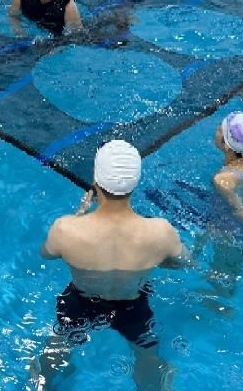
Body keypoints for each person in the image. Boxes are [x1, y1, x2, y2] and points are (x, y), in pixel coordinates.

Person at [32, 140, 186, 390]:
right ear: (135, 182)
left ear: (96, 179)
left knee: (54, 352)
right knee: (148, 358)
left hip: (80, 301)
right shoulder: (161, 232)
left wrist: (78, 217)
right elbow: (184, 263)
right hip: (132, 306)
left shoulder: (65, 229)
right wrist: (155, 256)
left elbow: (46, 254)